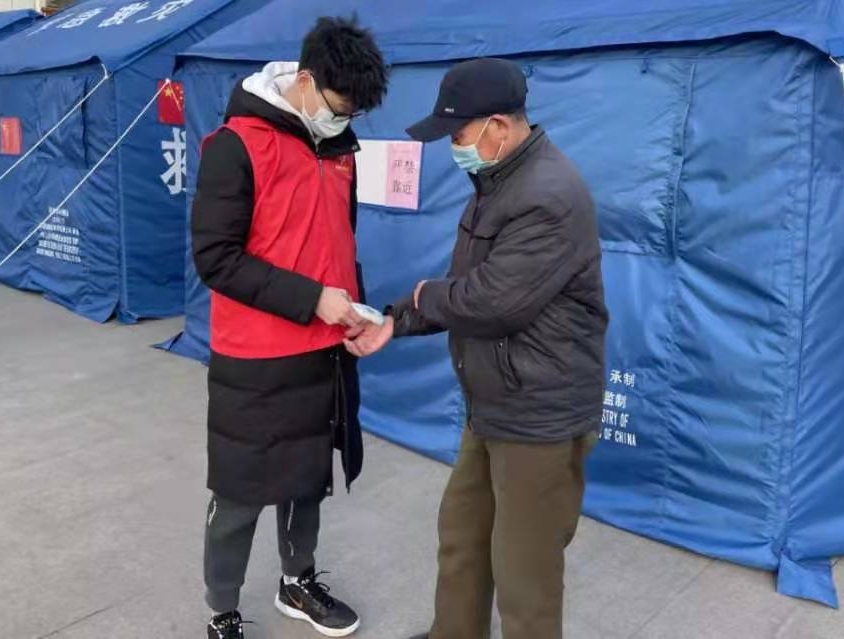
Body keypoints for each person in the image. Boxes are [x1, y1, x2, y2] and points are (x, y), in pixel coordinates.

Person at [345, 58, 609, 639]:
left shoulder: (548, 194)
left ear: (499, 126)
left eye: (458, 134)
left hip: (537, 415)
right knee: (463, 537)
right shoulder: (498, 182)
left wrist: (427, 295)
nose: (454, 147)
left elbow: (494, 301)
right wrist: (394, 319)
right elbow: (468, 287)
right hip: (492, 402)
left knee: (525, 576)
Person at [190, 16, 388, 639]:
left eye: (353, 112)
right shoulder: (235, 145)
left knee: (308, 480)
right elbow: (216, 259)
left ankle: (297, 581)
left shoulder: (339, 148)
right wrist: (311, 300)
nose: (343, 119)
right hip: (255, 357)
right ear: (304, 80)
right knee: (240, 491)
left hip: (325, 348)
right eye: (338, 105)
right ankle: (222, 611)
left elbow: (338, 243)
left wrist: (353, 311)